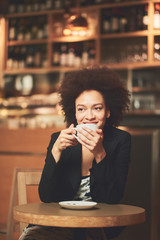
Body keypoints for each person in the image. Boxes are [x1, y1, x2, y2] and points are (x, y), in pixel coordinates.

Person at [19, 66, 131, 240]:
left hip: (97, 225)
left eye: (97, 108)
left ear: (108, 111)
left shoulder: (121, 140)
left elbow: (112, 198)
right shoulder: (60, 139)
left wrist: (100, 153)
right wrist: (56, 150)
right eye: (81, 109)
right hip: (58, 222)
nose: (89, 116)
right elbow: (47, 197)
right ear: (74, 112)